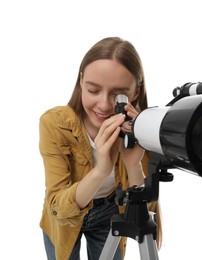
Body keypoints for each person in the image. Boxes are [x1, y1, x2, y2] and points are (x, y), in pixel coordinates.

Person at [39, 36, 162, 260]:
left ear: (135, 92)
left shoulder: (142, 128)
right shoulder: (54, 124)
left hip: (109, 212)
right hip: (64, 219)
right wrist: (101, 170)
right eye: (93, 90)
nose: (104, 105)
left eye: (118, 94)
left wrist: (133, 163)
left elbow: (145, 207)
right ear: (81, 80)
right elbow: (57, 206)